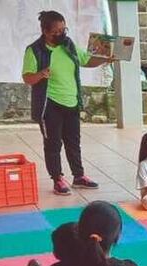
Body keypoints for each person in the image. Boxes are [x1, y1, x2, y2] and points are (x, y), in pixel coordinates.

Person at [21, 10, 107, 196]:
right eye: (57, 31)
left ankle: (79, 176)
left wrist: (106, 58)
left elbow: (86, 60)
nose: (61, 34)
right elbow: (27, 77)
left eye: (63, 29)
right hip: (49, 105)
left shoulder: (68, 45)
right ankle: (57, 179)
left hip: (72, 102)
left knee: (73, 142)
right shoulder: (34, 50)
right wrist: (40, 74)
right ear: (45, 31)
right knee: (53, 144)